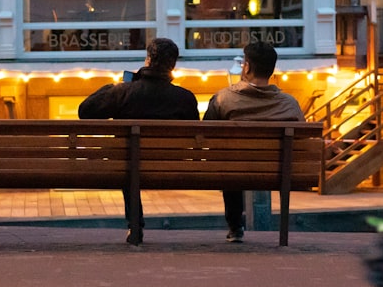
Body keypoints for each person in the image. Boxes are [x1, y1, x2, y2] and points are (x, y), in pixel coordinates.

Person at [78, 37, 199, 244]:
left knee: (130, 161)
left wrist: (113, 86)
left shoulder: (123, 92)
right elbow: (194, 133)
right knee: (131, 160)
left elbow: (85, 111)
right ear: (173, 65)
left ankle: (135, 224)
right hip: (173, 166)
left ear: (148, 60)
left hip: (128, 166)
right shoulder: (185, 98)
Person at [203, 41, 305, 242]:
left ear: (247, 67)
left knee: (229, 163)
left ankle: (235, 226)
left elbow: (206, 135)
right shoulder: (290, 104)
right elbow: (303, 140)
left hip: (232, 172)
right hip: (279, 172)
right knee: (231, 163)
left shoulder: (223, 99)